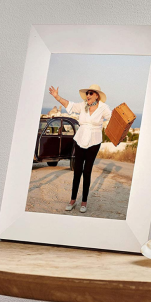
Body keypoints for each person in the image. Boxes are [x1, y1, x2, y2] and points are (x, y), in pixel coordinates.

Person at [48, 84, 112, 213]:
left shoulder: (104, 108)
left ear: (96, 96)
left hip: (94, 142)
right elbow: (68, 104)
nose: (88, 95)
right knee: (77, 171)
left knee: (87, 172)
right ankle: (72, 200)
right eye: (87, 93)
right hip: (80, 140)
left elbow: (113, 120)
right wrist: (57, 97)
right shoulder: (82, 105)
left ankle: (84, 202)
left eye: (91, 93)